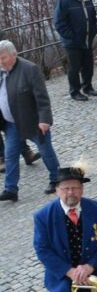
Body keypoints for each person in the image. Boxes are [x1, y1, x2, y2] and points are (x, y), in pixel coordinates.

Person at [0, 41, 61, 202]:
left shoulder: (30, 69)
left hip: (33, 121)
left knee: (46, 151)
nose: (1, 61)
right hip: (11, 124)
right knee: (10, 155)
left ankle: (56, 179)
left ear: (14, 55)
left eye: (3, 58)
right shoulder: (1, 72)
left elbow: (42, 98)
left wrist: (44, 120)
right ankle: (11, 189)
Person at [52, 0, 97, 101]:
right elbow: (58, 22)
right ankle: (75, 91)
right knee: (74, 68)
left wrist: (93, 31)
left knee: (88, 65)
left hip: (87, 39)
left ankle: (88, 87)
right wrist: (71, 36)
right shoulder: (64, 1)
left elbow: (93, 17)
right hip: (72, 42)